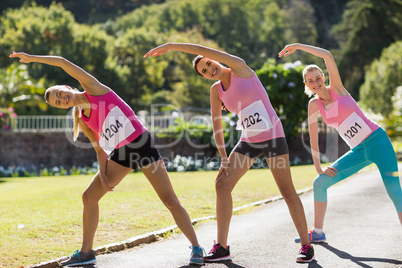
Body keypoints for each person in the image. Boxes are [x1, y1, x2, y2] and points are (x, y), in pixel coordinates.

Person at [9, 52, 205, 266]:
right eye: (58, 102)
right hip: (121, 154)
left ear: (66, 87)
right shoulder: (83, 119)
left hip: (141, 144)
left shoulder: (93, 88)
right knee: (89, 197)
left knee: (170, 200)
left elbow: (63, 62)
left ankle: (196, 247)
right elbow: (100, 150)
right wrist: (102, 174)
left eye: (59, 94)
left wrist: (32, 58)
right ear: (62, 107)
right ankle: (86, 253)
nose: (62, 99)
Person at [144, 43, 315, 263]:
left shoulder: (240, 69)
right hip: (249, 140)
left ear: (213, 59)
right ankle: (222, 246)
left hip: (272, 137)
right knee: (222, 185)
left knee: (287, 191)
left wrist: (171, 47)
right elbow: (217, 126)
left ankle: (306, 245)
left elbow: (202, 50)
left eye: (208, 63)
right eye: (204, 71)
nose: (209, 69)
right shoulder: (216, 90)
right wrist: (224, 157)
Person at [278, 43, 402, 243]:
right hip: (359, 151)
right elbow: (313, 137)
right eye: (311, 81)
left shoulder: (337, 88)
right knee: (320, 183)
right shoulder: (313, 104)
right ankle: (317, 232)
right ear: (307, 85)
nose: (315, 82)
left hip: (378, 142)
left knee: (395, 192)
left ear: (324, 78)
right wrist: (318, 167)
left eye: (318, 78)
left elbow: (327, 55)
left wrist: (298, 46)